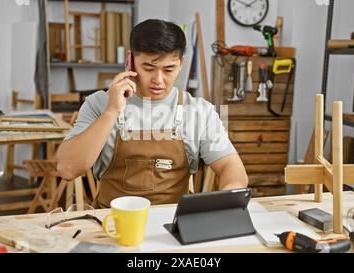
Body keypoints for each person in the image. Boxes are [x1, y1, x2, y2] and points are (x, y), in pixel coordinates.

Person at [56, 19, 248, 208]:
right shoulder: (98, 104)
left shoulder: (198, 111)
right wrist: (111, 111)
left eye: (168, 69)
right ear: (130, 61)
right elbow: (67, 169)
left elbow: (231, 167)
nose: (158, 79)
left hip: (174, 226)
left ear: (181, 63)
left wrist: (229, 193)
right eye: (148, 68)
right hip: (111, 223)